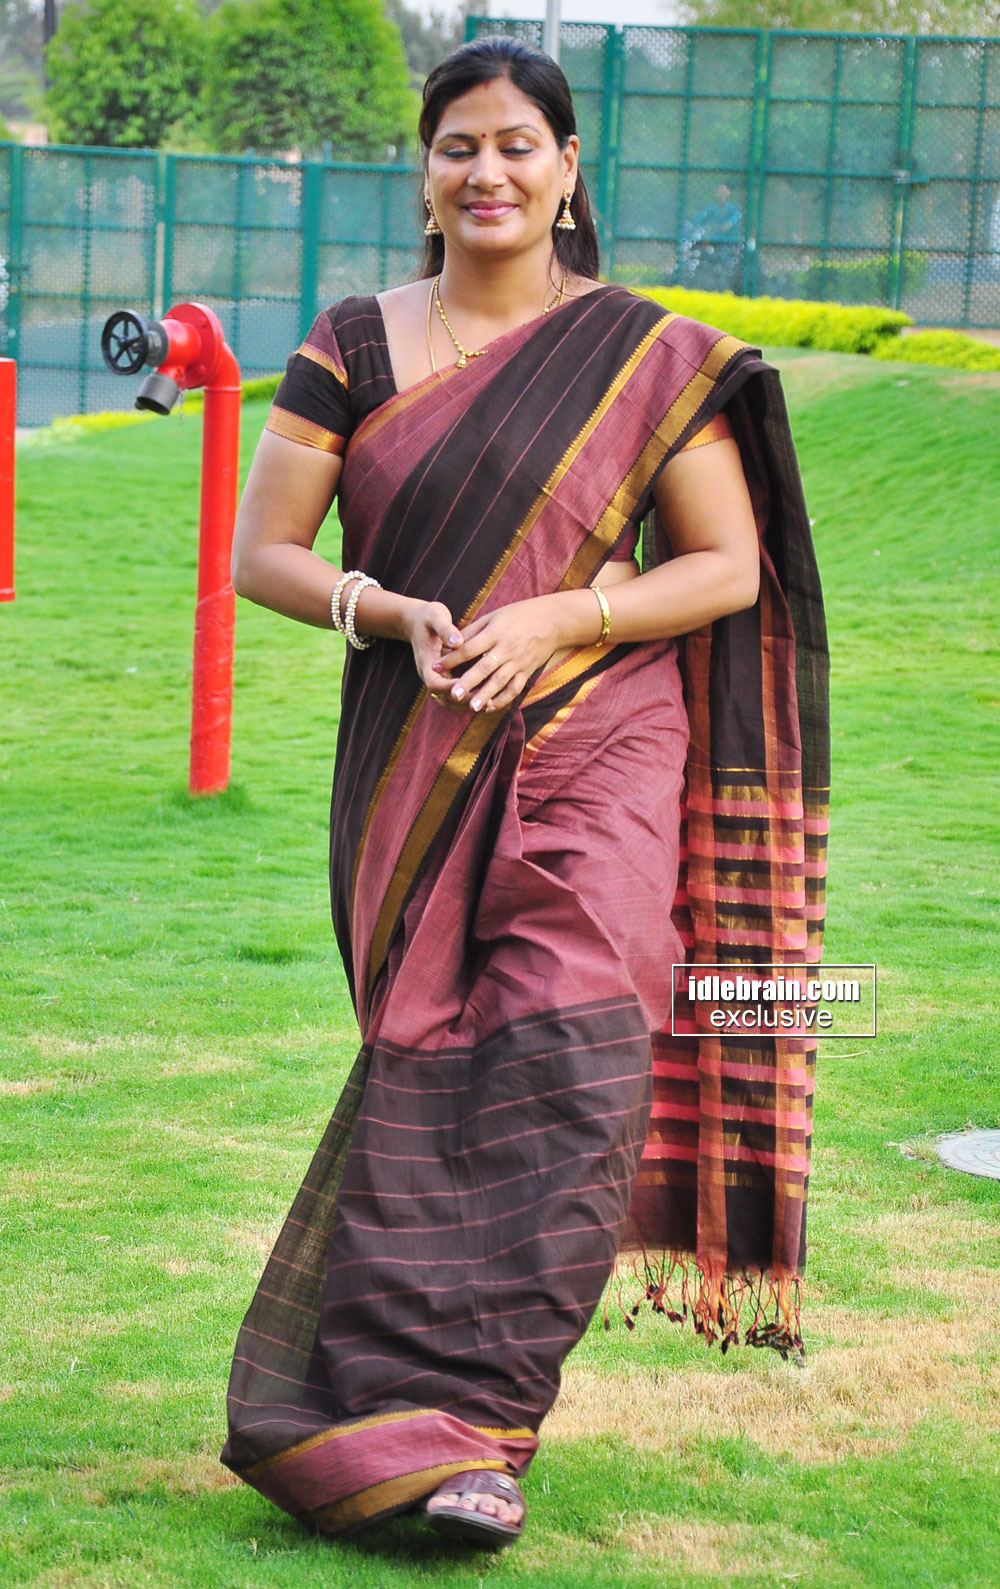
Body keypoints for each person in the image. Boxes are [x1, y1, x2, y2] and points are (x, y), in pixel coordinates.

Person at [219, 36, 828, 1550]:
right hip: (416, 748)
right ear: (424, 174)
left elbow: (724, 566)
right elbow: (264, 555)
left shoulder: (642, 354)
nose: (486, 170)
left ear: (567, 174)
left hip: (606, 737)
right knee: (429, 1052)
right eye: (458, 146)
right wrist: (386, 609)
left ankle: (482, 1432)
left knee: (576, 1050)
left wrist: (567, 615)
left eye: (516, 145)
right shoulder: (353, 342)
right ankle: (377, 1415)